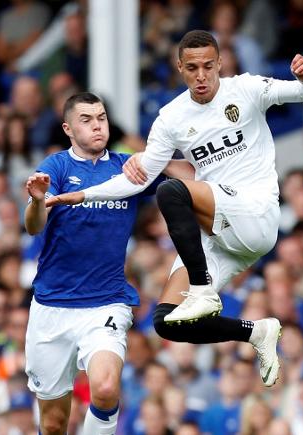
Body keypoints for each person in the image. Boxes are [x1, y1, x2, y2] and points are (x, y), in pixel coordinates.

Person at [45, 30, 303, 387]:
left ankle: (202, 289)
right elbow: (139, 178)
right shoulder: (172, 117)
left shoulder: (247, 88)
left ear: (221, 63)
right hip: (219, 228)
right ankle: (256, 332)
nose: (202, 75)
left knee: (172, 192)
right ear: (180, 68)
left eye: (209, 66)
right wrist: (82, 195)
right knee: (168, 322)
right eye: (192, 67)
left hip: (256, 212)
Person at [23, 91, 189, 435]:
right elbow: (33, 225)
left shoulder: (125, 167)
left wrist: (151, 157)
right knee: (53, 424)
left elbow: (188, 173)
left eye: (101, 118)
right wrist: (38, 201)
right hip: (52, 307)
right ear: (68, 129)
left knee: (105, 387)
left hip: (106, 302)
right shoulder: (56, 166)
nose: (97, 125)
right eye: (86, 120)